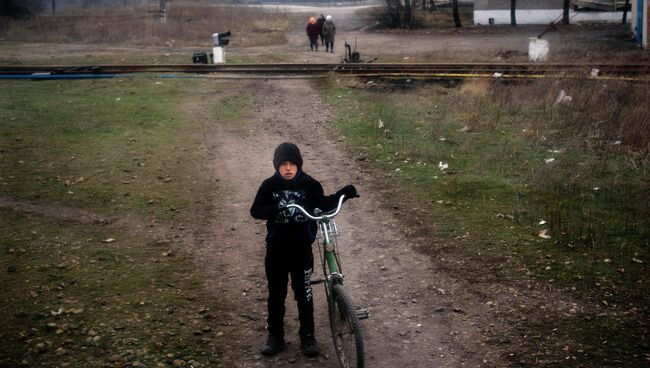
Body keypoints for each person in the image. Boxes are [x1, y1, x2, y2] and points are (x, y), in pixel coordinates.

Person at [250, 142, 359, 357]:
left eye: (292, 164)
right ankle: (275, 336)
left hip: (301, 250)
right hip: (276, 250)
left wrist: (343, 195)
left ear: (299, 165)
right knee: (276, 293)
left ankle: (308, 336)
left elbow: (324, 204)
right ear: (276, 166)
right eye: (283, 164)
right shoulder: (269, 186)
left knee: (304, 293)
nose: (288, 168)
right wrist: (275, 210)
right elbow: (256, 210)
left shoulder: (310, 184)